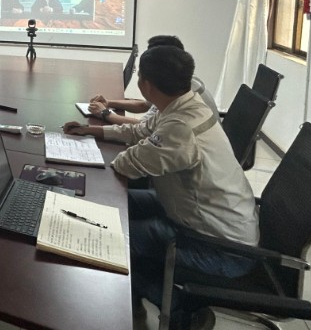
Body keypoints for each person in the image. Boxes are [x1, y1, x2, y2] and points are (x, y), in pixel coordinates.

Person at [66, 47, 258, 327]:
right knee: (114, 205)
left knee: (109, 241)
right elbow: (140, 132)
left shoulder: (180, 126)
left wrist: (97, 156)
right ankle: (136, 297)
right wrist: (92, 130)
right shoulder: (184, 104)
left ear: (146, 85)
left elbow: (128, 164)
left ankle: (181, 309)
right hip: (198, 215)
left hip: (217, 247)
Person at [77, 35, 219, 127]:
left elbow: (142, 127)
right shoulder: (183, 81)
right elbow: (144, 105)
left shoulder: (177, 93)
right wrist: (109, 103)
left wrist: (105, 113)